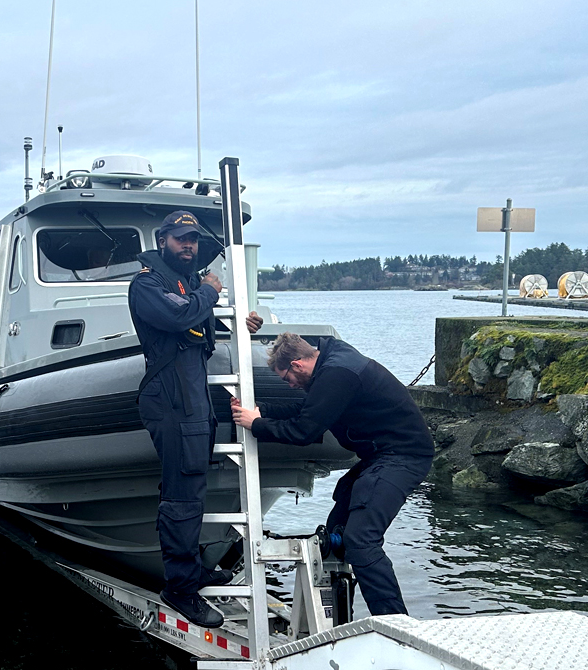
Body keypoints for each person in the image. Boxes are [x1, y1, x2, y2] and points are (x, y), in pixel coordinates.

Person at [231, 332, 433, 617]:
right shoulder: (330, 364)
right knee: (336, 529)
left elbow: (304, 431)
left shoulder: (337, 373)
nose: (288, 384)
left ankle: (395, 624)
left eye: (286, 377)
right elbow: (309, 409)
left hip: (402, 455)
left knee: (361, 540)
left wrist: (258, 425)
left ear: (297, 364)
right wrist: (262, 412)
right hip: (380, 455)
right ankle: (340, 620)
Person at [128, 210, 261, 628]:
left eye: (194, 241)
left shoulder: (188, 284)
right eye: (182, 239)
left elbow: (200, 331)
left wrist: (242, 324)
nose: (189, 246)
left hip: (192, 395)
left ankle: (193, 569)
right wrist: (209, 292)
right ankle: (180, 589)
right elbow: (177, 316)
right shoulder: (147, 283)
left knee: (192, 487)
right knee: (182, 495)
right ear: (164, 239)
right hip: (170, 397)